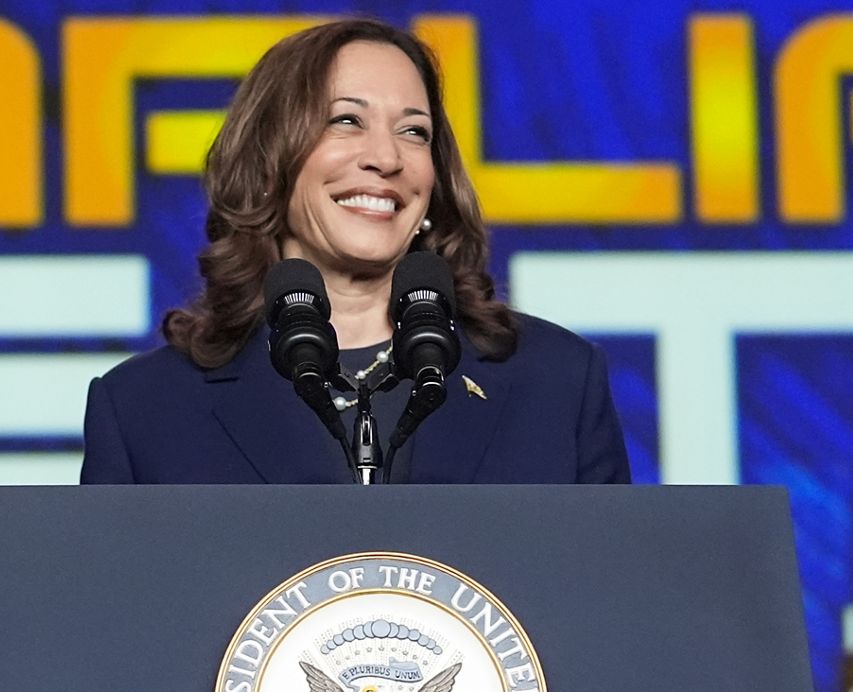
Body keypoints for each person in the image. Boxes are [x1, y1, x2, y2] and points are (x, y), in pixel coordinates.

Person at [80, 19, 630, 485]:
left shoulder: (555, 381)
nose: (386, 157)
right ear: (269, 164)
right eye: (346, 120)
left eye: (415, 132)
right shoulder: (145, 409)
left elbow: (608, 598)